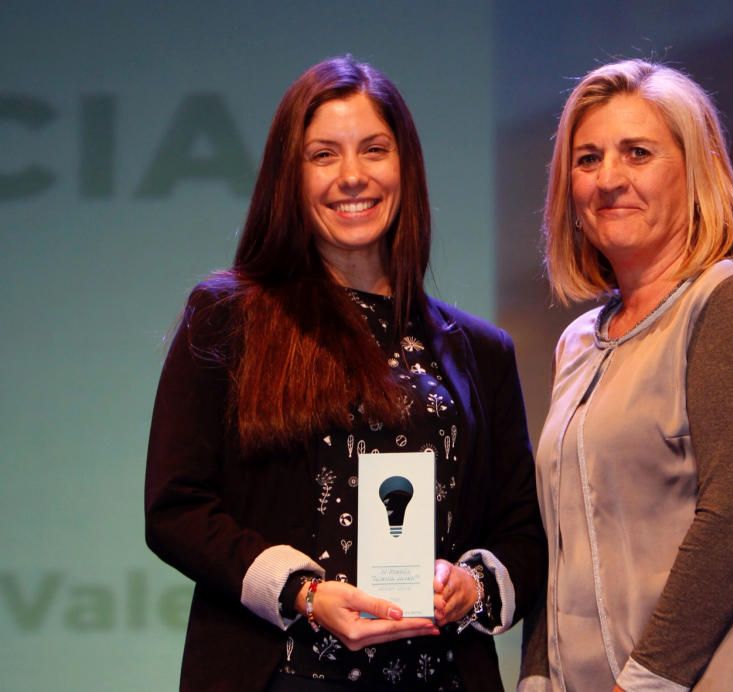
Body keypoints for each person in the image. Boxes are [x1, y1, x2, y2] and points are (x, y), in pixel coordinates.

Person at [145, 56, 545, 692]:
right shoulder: (229, 317)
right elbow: (177, 508)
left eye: (374, 150)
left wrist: (472, 586)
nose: (352, 176)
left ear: (405, 167)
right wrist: (304, 593)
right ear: (290, 176)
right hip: (284, 676)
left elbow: (523, 531)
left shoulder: (482, 351)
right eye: (323, 155)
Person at [519, 59, 733, 691]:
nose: (609, 180)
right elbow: (562, 545)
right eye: (588, 159)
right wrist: (538, 677)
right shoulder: (576, 343)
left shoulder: (728, 301)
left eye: (637, 153)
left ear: (693, 171)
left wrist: (645, 683)